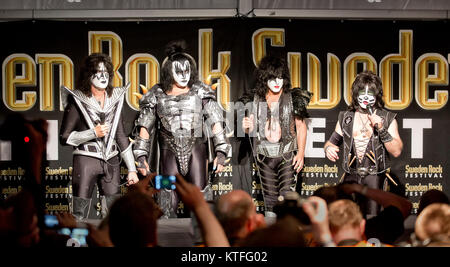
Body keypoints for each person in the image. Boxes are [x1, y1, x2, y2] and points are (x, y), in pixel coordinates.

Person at [132, 40, 231, 217]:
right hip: (167, 151)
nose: (184, 75)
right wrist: (141, 156)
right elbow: (145, 125)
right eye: (178, 71)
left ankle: (203, 243)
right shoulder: (156, 93)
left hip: (196, 149)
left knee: (200, 198)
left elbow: (215, 120)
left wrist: (221, 152)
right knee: (166, 198)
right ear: (169, 71)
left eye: (186, 70)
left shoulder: (201, 90)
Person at [60, 53, 138, 221]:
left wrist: (131, 169)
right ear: (88, 74)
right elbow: (64, 137)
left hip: (111, 161)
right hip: (86, 160)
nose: (103, 76)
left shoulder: (114, 98)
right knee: (78, 215)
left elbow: (121, 137)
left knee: (113, 216)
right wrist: (92, 133)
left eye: (106, 71)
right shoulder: (77, 100)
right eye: (98, 71)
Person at [324, 70, 403, 217]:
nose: (366, 97)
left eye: (370, 93)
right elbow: (331, 142)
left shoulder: (387, 117)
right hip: (350, 176)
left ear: (377, 95)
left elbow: (397, 150)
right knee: (345, 217)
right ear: (356, 94)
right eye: (362, 93)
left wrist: (381, 129)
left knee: (373, 217)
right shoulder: (346, 117)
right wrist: (328, 148)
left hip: (374, 177)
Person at [241, 55, 311, 216]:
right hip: (264, 157)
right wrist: (247, 128)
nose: (277, 82)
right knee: (270, 201)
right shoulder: (255, 99)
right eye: (272, 78)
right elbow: (249, 130)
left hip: (287, 155)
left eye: (280, 77)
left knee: (288, 198)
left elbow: (301, 127)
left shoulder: (293, 97)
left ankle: (288, 235)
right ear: (265, 79)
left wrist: (300, 153)